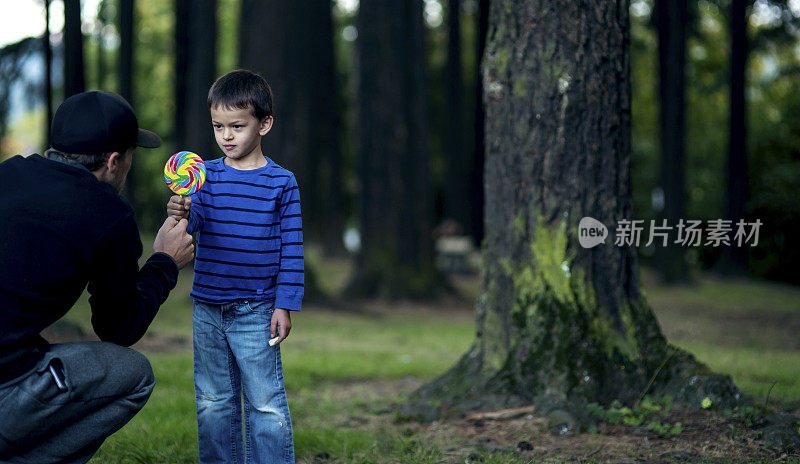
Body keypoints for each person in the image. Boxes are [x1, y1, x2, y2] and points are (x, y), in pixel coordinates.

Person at [0, 90, 195, 464]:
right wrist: (165, 263)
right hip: (6, 391)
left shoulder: (9, 172)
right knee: (135, 374)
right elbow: (118, 329)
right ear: (113, 160)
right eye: (131, 157)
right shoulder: (108, 213)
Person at [167, 69, 303, 463]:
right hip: (207, 306)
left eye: (237, 126)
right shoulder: (203, 176)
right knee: (213, 402)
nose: (226, 136)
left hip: (257, 309)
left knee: (265, 403)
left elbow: (292, 248)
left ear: (264, 124)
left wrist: (285, 304)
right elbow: (191, 230)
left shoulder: (282, 182)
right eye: (218, 126)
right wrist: (180, 210)